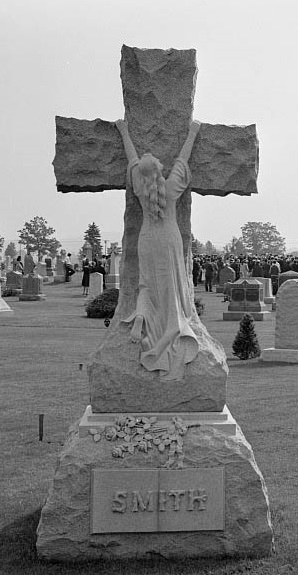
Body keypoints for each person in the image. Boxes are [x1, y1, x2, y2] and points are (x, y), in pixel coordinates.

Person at [115, 117, 201, 380]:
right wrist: (193, 133)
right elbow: (183, 159)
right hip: (168, 241)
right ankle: (169, 330)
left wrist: (124, 131)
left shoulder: (140, 187)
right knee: (171, 294)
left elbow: (131, 158)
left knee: (146, 287)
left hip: (147, 241)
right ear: (159, 169)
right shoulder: (172, 186)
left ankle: (142, 316)